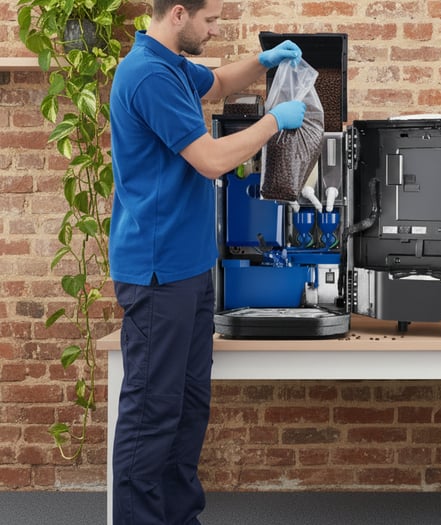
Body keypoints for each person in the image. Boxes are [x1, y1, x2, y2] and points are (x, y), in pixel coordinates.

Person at [108, 0, 305, 522]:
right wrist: (272, 122)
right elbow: (212, 159)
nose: (216, 29)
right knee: (153, 413)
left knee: (188, 408)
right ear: (178, 13)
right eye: (211, 20)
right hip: (158, 271)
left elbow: (216, 83)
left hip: (189, 268)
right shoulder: (147, 74)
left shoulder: (171, 63)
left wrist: (264, 62)